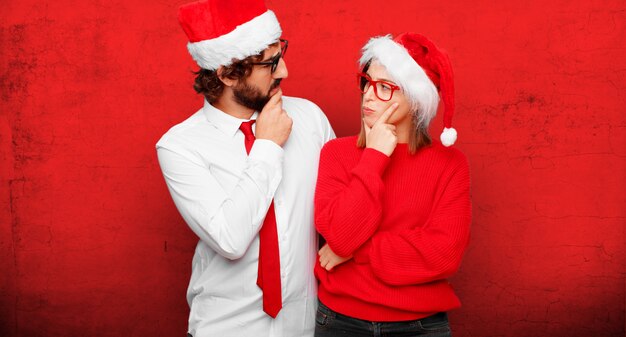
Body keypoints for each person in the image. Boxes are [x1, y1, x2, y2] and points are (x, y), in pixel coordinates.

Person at [156, 0, 335, 336]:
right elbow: (230, 239)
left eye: (280, 56)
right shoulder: (180, 146)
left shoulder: (310, 118)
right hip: (228, 326)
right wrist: (267, 146)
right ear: (226, 73)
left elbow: (338, 217)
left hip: (307, 324)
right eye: (270, 64)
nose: (284, 72)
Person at [313, 33, 471, 336]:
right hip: (339, 322)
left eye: (384, 87)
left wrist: (357, 253)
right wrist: (374, 157)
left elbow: (443, 254)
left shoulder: (450, 165)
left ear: (415, 100)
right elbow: (341, 237)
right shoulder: (336, 154)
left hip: (421, 326)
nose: (369, 96)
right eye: (367, 82)